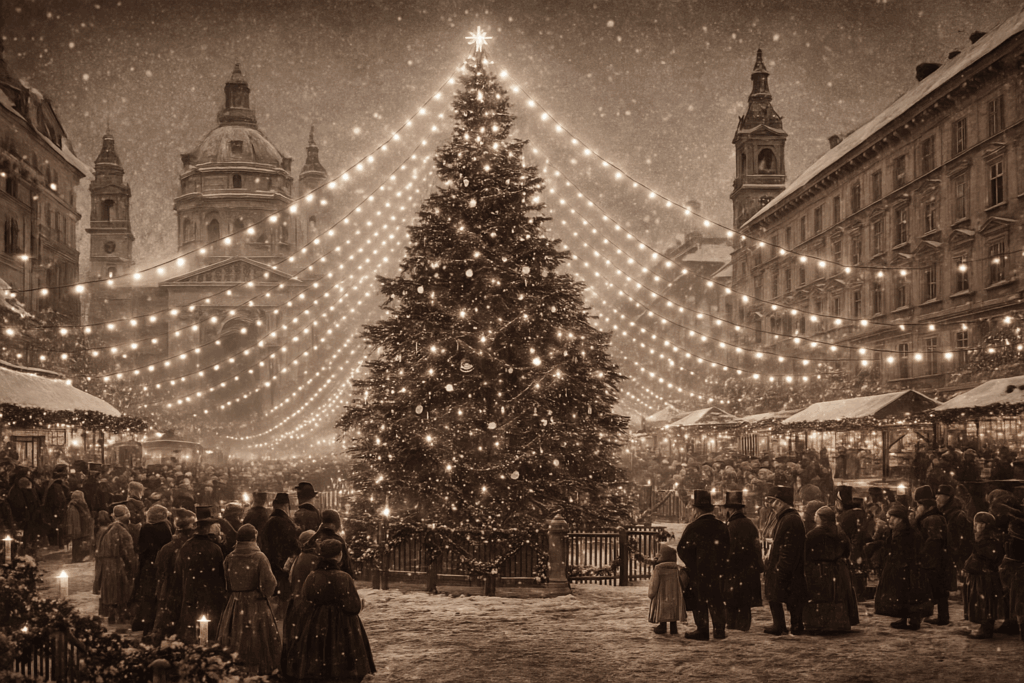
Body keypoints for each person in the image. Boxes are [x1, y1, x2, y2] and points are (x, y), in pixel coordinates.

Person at [280, 538, 375, 682]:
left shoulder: (312, 576)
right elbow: (353, 607)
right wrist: (359, 604)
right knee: (343, 666)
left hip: (317, 625)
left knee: (318, 662)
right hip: (343, 627)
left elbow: (307, 597)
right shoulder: (343, 577)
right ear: (339, 555)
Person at [218, 524, 281, 675]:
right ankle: (259, 670)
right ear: (254, 538)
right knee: (258, 638)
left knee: (236, 636)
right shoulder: (259, 557)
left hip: (235, 603)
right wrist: (264, 594)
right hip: (256, 603)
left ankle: (236, 669)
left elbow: (226, 582)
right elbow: (269, 583)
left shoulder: (230, 557)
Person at [676, 489, 728, 640]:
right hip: (717, 571)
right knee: (716, 599)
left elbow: (682, 549)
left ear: (697, 510)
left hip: (699, 571)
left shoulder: (693, 527)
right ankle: (719, 629)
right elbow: (728, 548)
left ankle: (702, 629)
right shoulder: (721, 526)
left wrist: (693, 564)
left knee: (700, 600)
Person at [874, 502, 933, 630]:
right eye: (889, 517)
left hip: (909, 569)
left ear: (901, 519)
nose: (890, 520)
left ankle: (914, 619)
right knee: (900, 595)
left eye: (893, 518)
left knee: (911, 595)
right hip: (899, 568)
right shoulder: (894, 531)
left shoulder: (909, 533)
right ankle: (903, 617)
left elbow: (914, 551)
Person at [803, 506, 859, 634]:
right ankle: (837, 623)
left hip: (819, 570)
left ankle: (820, 623)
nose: (814, 518)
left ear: (821, 518)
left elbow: (806, 552)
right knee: (835, 596)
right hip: (838, 571)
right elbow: (847, 550)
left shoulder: (814, 534)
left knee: (821, 596)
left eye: (816, 516)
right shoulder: (840, 532)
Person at [172, 517, 227, 645]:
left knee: (191, 623)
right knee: (207, 624)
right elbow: (220, 573)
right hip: (210, 592)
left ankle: (193, 648)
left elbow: (179, 570)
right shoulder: (215, 548)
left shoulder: (186, 547)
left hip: (190, 590)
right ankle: (205, 648)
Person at [149, 510, 196, 645]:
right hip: (187, 589)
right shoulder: (191, 546)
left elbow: (160, 570)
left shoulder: (167, 548)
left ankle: (164, 642)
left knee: (167, 620)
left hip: (170, 589)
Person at [763, 485, 805, 636]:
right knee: (782, 596)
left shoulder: (790, 519)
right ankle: (783, 625)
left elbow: (788, 548)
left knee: (789, 598)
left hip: (787, 568)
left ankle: (792, 625)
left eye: (773, 502)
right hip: (785, 567)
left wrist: (781, 568)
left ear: (781, 503)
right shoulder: (786, 518)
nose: (771, 506)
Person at [914, 485, 956, 626]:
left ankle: (922, 617)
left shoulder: (931, 519)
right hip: (937, 562)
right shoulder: (933, 517)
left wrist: (922, 556)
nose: (916, 509)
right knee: (939, 591)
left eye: (918, 505)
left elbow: (934, 541)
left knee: (931, 591)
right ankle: (942, 617)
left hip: (934, 563)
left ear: (924, 505)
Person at [723, 490, 763, 632]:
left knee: (731, 599)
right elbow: (756, 547)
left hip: (733, 570)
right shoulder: (750, 524)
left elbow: (727, 550)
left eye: (726, 509)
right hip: (748, 569)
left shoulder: (729, 527)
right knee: (745, 601)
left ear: (731, 509)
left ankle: (732, 624)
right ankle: (743, 625)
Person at [962, 511, 1005, 639]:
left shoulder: (990, 541)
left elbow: (990, 557)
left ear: (985, 525)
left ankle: (986, 629)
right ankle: (984, 627)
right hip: (981, 577)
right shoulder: (983, 539)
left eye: (978, 524)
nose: (975, 527)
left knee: (985, 603)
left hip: (985, 578)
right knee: (982, 602)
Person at [131, 505, 172, 634]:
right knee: (159, 595)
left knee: (147, 597)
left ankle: (145, 625)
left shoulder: (147, 528)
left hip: (149, 567)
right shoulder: (167, 526)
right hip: (162, 566)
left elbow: (143, 549)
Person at [259, 492, 301, 620]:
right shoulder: (285, 523)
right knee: (283, 609)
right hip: (284, 571)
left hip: (271, 569)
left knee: (272, 609)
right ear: (286, 506)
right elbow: (293, 547)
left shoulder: (268, 523)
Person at [93, 506, 137, 624]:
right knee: (120, 592)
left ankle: (111, 615)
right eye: (128, 513)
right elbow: (128, 552)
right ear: (124, 515)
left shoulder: (108, 529)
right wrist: (132, 567)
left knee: (110, 592)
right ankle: (121, 616)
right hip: (116, 565)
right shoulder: (121, 530)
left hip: (106, 565)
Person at [647, 543, 687, 635]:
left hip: (662, 595)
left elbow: (654, 583)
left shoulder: (658, 568)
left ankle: (662, 626)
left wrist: (651, 593)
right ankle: (674, 628)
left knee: (663, 610)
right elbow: (683, 581)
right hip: (675, 595)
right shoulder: (677, 569)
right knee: (673, 611)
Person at [936, 484, 972, 576]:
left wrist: (959, 558)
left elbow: (965, 540)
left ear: (947, 497)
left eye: (940, 495)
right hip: (944, 558)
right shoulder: (940, 513)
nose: (937, 497)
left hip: (954, 560)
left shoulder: (958, 515)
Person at [65, 489, 94, 563]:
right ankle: (77, 558)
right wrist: (76, 531)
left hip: (82, 529)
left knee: (80, 544)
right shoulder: (74, 506)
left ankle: (79, 557)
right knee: (78, 544)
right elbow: (74, 521)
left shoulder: (80, 505)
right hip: (79, 530)